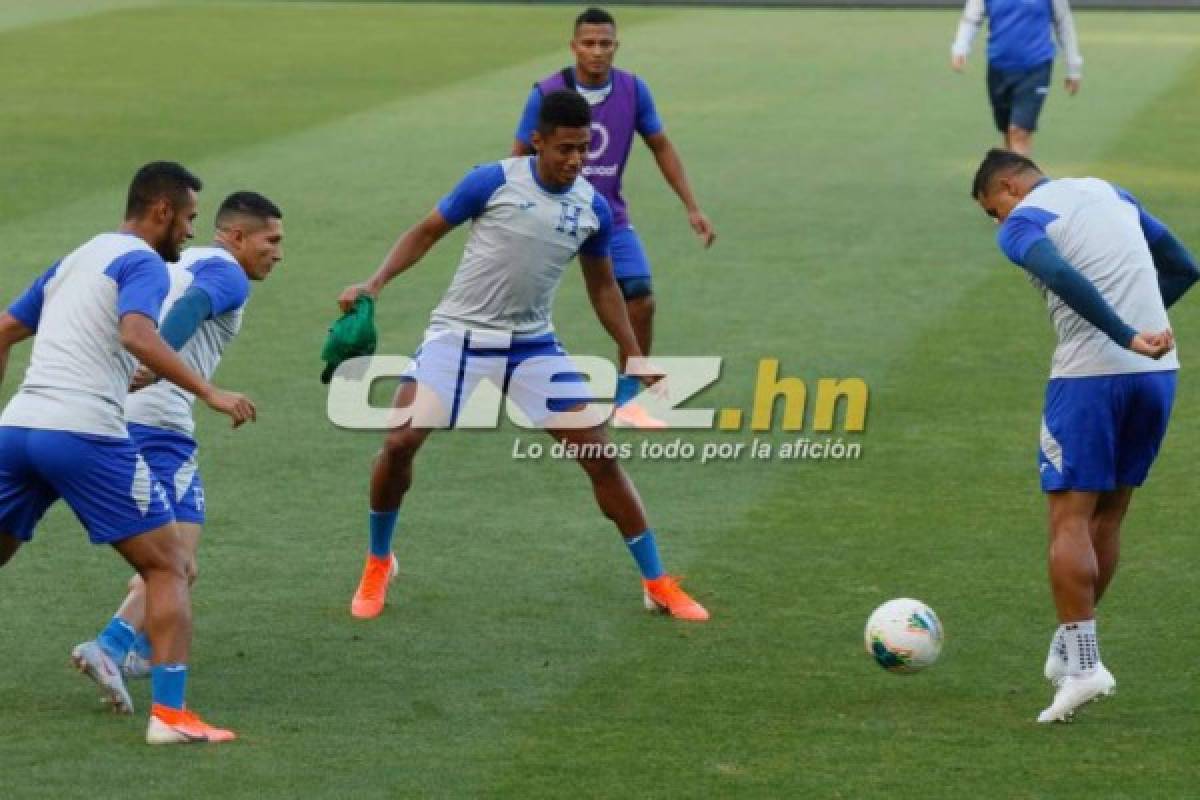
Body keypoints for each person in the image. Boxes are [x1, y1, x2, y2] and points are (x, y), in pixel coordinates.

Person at [339, 90, 708, 623]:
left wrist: (632, 353)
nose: (575, 160)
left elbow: (603, 288)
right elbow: (425, 233)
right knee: (400, 441)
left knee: (599, 455)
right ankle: (379, 560)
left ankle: (656, 582)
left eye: (582, 149)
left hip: (532, 346)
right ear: (537, 141)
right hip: (460, 336)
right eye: (564, 148)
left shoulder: (591, 207)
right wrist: (374, 283)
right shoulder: (491, 181)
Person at [0, 162, 256, 745]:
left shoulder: (77, 256)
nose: (191, 233)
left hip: (16, 429)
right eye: (189, 219)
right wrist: (209, 390)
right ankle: (170, 717)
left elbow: (4, 331)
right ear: (162, 212)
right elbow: (138, 335)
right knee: (171, 567)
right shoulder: (143, 263)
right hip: (84, 432)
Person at [970, 148, 1198, 722]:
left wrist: (1122, 334)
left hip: (1091, 380)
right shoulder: (1108, 192)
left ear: (1007, 188)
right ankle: (1073, 645)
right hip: (1157, 376)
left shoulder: (1022, 223)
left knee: (1069, 518)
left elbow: (1059, 274)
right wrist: (1142, 335)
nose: (996, 223)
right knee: (1110, 516)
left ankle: (1086, 668)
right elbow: (1183, 266)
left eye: (991, 209)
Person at [73, 191, 283, 688]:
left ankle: (140, 650)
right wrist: (155, 359)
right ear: (235, 236)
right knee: (177, 561)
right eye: (270, 240)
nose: (277, 252)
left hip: (116, 414)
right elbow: (193, 306)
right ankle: (111, 645)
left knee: (174, 559)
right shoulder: (227, 274)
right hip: (159, 427)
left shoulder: (173, 260)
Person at [512, 7, 715, 428]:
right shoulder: (547, 92)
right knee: (513, 301)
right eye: (588, 43)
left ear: (616, 47)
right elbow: (516, 159)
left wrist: (691, 206)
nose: (597, 51)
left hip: (607, 217)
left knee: (640, 296)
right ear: (573, 47)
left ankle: (627, 397)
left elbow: (660, 145)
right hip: (548, 216)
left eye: (605, 43)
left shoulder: (633, 91)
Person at [951, 0, 1083, 155]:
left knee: (1019, 132)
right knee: (1008, 133)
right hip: (998, 67)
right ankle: (1012, 176)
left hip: (1036, 67)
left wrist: (1073, 66)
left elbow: (1063, 22)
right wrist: (961, 47)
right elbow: (972, 18)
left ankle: (1023, 178)